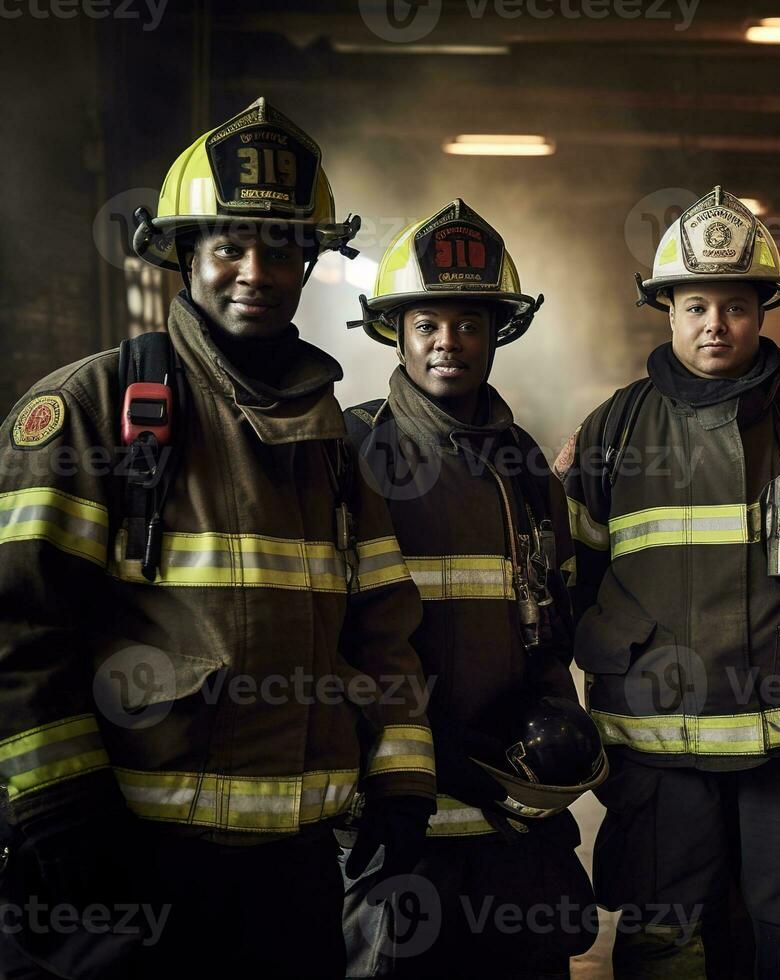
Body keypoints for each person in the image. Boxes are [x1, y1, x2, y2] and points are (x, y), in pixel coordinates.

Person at [0, 98, 433, 978]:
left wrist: (398, 780)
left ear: (308, 262)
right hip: (133, 863)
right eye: (229, 244)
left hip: (298, 870)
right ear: (184, 254)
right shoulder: (92, 410)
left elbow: (383, 630)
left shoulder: (336, 447)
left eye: (279, 246)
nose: (254, 270)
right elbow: (19, 624)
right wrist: (58, 803)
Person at [559, 187, 780, 977]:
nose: (715, 325)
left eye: (735, 305)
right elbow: (571, 577)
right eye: (695, 305)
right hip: (657, 750)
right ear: (665, 310)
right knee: (666, 941)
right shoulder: (614, 429)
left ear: (764, 310)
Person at [339, 198, 599, 977]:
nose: (448, 343)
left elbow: (549, 625)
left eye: (469, 325)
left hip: (510, 822)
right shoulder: (349, 450)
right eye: (427, 325)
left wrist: (552, 735)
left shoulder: (522, 468)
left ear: (497, 336)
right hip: (393, 814)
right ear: (397, 333)